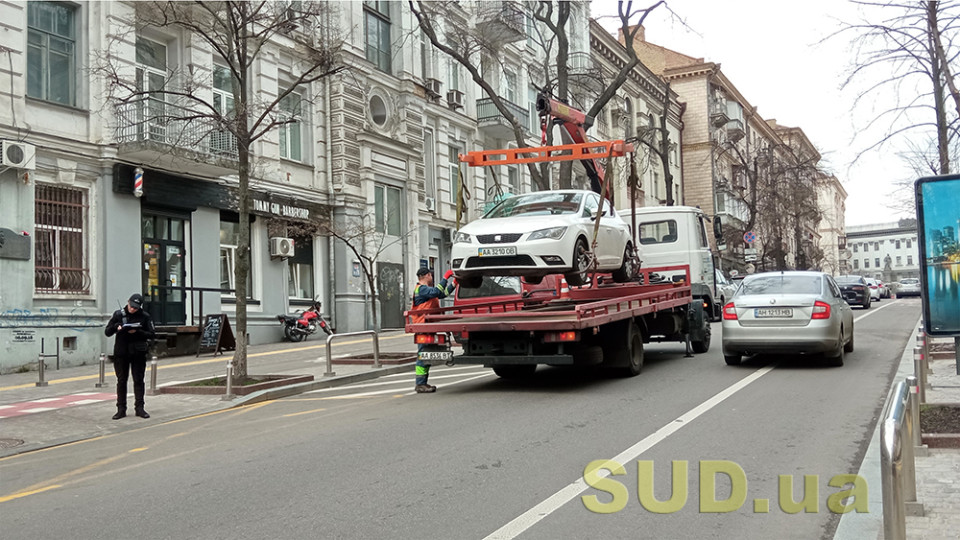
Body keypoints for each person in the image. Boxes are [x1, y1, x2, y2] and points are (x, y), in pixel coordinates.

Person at [104, 293, 156, 419]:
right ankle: (121, 409)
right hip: (121, 353)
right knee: (121, 381)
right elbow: (107, 332)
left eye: (136, 307)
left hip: (138, 353)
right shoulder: (118, 315)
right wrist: (117, 327)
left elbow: (152, 334)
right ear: (128, 302)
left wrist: (138, 331)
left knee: (138, 380)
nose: (133, 309)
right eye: (131, 306)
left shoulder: (145, 316)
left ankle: (140, 408)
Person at [409, 267, 455, 393]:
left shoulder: (426, 290)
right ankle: (420, 384)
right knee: (423, 354)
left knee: (425, 354)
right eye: (431, 275)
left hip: (427, 326)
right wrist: (446, 277)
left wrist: (454, 284)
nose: (432, 277)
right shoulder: (422, 289)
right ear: (427, 275)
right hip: (423, 326)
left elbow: (443, 294)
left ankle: (423, 383)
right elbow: (436, 291)